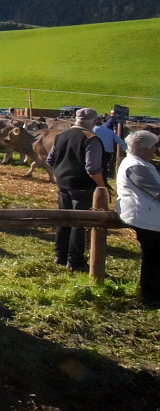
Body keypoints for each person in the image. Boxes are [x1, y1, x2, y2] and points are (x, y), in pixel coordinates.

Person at [45, 107, 106, 272]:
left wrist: (60, 175)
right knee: (79, 223)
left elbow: (50, 161)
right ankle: (75, 261)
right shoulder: (91, 138)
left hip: (63, 185)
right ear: (94, 122)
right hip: (83, 187)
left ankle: (60, 255)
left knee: (63, 220)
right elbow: (93, 168)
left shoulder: (60, 136)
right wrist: (102, 186)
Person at [116, 130, 160, 307]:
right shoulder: (136, 167)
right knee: (153, 257)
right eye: (153, 146)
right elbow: (156, 191)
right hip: (143, 216)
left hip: (147, 215)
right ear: (142, 149)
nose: (155, 150)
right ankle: (150, 296)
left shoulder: (140, 163)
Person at [93, 116, 128, 182]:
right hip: (108, 151)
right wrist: (126, 148)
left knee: (96, 166)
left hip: (97, 151)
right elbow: (119, 141)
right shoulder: (109, 131)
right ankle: (104, 179)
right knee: (105, 165)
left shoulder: (92, 130)